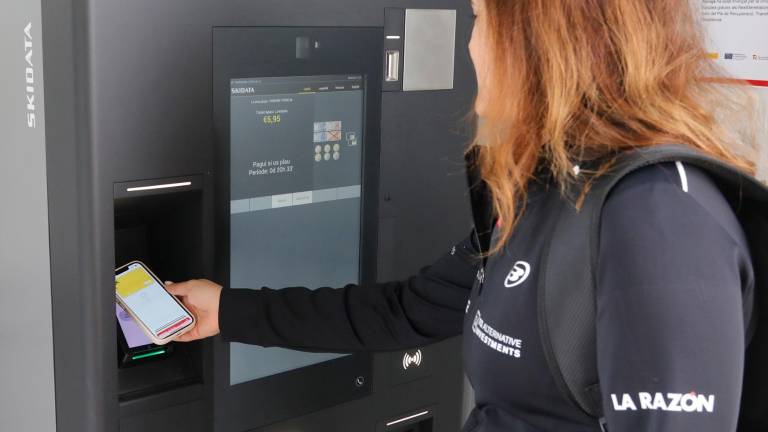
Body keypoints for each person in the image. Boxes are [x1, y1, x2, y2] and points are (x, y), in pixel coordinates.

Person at [167, 0, 762, 430]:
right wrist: (226, 310)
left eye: (479, 20)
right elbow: (402, 311)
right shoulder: (545, 192)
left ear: (539, 41)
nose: (469, 43)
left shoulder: (658, 218)